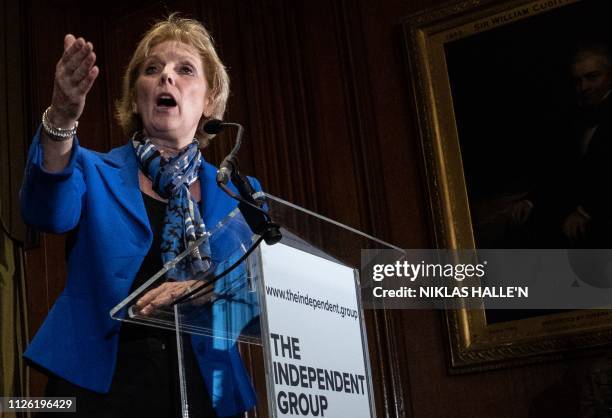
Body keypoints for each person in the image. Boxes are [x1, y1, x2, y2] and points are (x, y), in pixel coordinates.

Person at [20, 14, 259, 417]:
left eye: (184, 70)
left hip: (205, 391)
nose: (167, 77)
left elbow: (263, 301)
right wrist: (61, 117)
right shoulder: (92, 171)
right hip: (96, 390)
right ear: (135, 98)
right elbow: (45, 212)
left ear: (210, 102)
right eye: (153, 69)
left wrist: (209, 291)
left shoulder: (240, 196)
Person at [510, 43, 612, 248]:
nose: (584, 87)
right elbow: (560, 169)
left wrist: (586, 211)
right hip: (576, 204)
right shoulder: (575, 117)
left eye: (592, 77)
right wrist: (531, 200)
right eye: (578, 81)